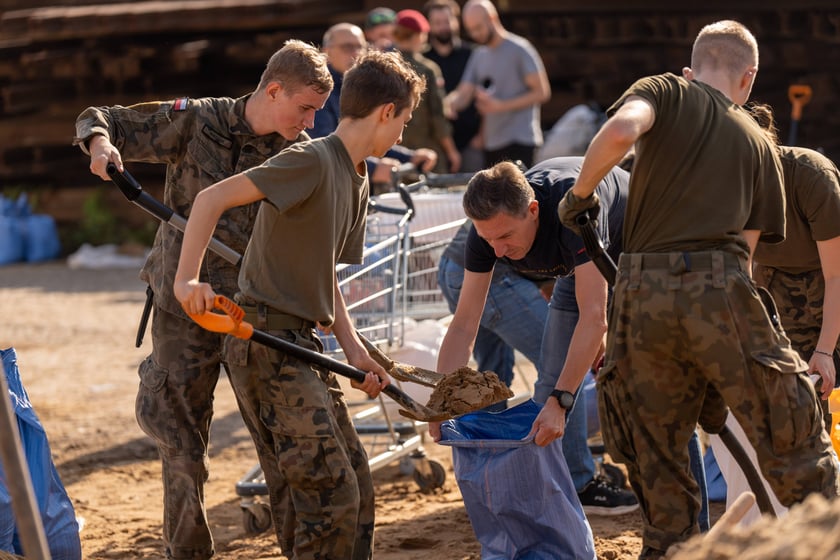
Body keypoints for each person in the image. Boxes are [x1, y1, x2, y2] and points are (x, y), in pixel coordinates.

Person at [556, 20, 839, 558]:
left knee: (660, 469)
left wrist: (581, 194)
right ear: (748, 78)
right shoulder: (759, 142)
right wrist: (718, 367)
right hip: (721, 287)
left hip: (637, 294)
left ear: (692, 67)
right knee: (797, 446)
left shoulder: (664, 90)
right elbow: (746, 260)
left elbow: (619, 133)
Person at [73, 40, 333, 560]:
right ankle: (186, 551)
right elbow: (103, 118)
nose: (308, 123)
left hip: (252, 312)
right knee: (180, 441)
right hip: (180, 308)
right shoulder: (196, 122)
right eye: (304, 108)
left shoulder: (297, 154)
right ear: (273, 89)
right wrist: (101, 145)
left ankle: (297, 551)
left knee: (276, 440)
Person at [173, 49, 425, 559]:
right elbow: (208, 200)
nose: (403, 135)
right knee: (330, 495)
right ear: (385, 112)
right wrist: (187, 281)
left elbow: (323, 270)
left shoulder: (355, 181)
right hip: (264, 342)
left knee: (349, 486)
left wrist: (355, 352)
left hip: (301, 341)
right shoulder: (311, 159)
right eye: (405, 120)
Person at [433, 157, 639, 515]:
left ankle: (667, 500)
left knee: (632, 380)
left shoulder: (573, 215)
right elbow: (465, 324)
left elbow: (594, 317)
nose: (496, 250)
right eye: (487, 238)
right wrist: (439, 402)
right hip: (577, 268)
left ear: (532, 210)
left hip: (636, 251)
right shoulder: (488, 236)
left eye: (505, 237)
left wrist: (562, 402)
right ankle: (558, 493)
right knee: (551, 382)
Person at [709, 102, 840, 526]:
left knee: (820, 382)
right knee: (791, 399)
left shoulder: (810, 176)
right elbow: (738, 272)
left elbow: (836, 275)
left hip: (833, 276)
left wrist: (824, 351)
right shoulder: (730, 188)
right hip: (778, 280)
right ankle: (802, 521)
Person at [309, 21, 437, 192]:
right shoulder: (318, 91)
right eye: (347, 47)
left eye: (360, 47)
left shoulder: (361, 85)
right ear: (326, 52)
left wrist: (410, 158)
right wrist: (374, 168)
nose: (355, 53)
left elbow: (373, 132)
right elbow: (326, 145)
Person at [444, 0, 550, 168]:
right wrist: (449, 104)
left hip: (520, 140)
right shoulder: (479, 55)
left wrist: (501, 106)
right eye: (471, 30)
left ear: (492, 18)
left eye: (478, 27)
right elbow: (464, 92)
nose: (475, 34)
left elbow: (542, 92)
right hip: (493, 142)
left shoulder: (519, 49)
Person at [392, 9, 461, 173]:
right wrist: (452, 152)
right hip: (426, 155)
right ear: (418, 35)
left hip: (390, 154)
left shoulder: (383, 66)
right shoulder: (427, 69)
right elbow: (438, 117)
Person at [422, 0, 483, 172]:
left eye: (447, 21)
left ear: (456, 21)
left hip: (471, 141)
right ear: (429, 25)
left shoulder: (473, 54)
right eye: (437, 23)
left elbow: (487, 94)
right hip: (435, 145)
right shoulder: (422, 59)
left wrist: (481, 137)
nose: (444, 27)